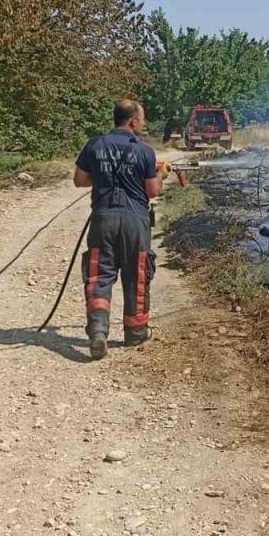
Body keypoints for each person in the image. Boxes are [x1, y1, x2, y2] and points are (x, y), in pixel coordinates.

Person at [73, 99, 166, 360]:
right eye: (142, 119)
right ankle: (135, 333)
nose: (144, 123)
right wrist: (161, 174)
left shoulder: (95, 144)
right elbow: (152, 190)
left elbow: (79, 180)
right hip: (135, 221)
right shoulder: (145, 151)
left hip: (103, 218)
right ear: (133, 120)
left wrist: (103, 176)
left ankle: (98, 332)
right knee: (136, 274)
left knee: (99, 275)